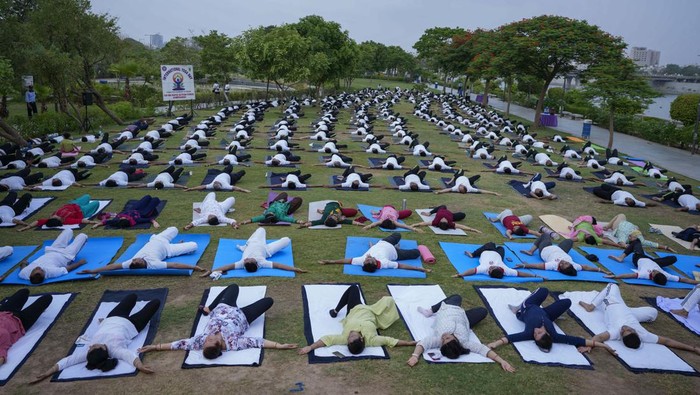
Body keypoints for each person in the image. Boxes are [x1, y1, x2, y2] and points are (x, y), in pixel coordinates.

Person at [139, 284, 295, 360]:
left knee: (233, 286)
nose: (207, 339)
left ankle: (208, 308)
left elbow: (178, 344)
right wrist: (278, 345)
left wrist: (155, 347)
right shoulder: (233, 343)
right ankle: (210, 308)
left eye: (206, 341)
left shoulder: (200, 342)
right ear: (219, 344)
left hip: (222, 309)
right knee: (268, 301)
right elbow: (257, 342)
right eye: (210, 341)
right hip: (243, 317)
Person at [32, 293, 160, 381]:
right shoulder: (115, 350)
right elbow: (130, 357)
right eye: (94, 347)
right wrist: (141, 367)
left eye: (90, 348)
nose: (91, 346)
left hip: (112, 317)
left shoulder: (89, 353)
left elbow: (68, 361)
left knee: (132, 297)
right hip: (133, 325)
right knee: (155, 302)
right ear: (103, 350)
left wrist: (48, 372)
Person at [487, 288, 616, 354]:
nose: (535, 332)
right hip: (545, 315)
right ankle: (527, 308)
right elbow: (578, 340)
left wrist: (495, 344)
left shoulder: (528, 333)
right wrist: (604, 345)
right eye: (539, 333)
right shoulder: (554, 336)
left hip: (527, 308)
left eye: (535, 335)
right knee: (563, 300)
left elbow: (510, 338)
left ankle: (517, 309)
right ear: (548, 334)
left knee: (544, 291)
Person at [579, 284, 700, 353]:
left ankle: (591, 306)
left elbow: (599, 337)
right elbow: (667, 341)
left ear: (621, 336)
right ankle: (598, 306)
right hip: (628, 312)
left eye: (623, 331)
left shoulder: (616, 331)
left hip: (611, 303)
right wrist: (693, 349)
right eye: (628, 329)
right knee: (653, 313)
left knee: (612, 285)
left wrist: (589, 345)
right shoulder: (644, 335)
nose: (624, 328)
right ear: (636, 333)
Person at [407, 294, 515, 372]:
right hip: (460, 316)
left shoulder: (438, 340)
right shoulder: (465, 343)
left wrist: (415, 356)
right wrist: (502, 361)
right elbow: (483, 349)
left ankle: (430, 311)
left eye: (444, 340)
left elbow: (423, 343)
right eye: (447, 339)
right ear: (456, 342)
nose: (444, 337)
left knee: (457, 297)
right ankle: (431, 310)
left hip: (450, 310)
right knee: (482, 311)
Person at [298, 285, 416, 355]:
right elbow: (390, 341)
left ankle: (335, 311)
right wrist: (410, 343)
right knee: (389, 300)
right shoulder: (371, 340)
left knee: (354, 288)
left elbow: (327, 339)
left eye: (349, 339)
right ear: (361, 338)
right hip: (373, 311)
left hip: (354, 310)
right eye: (352, 337)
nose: (349, 336)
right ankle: (336, 310)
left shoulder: (344, 339)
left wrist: (311, 347)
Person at [81, 227, 205, 274]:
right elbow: (175, 265)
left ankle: (178, 243)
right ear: (141, 264)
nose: (136, 259)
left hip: (158, 239)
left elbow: (112, 267)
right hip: (168, 250)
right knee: (194, 246)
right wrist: (195, 267)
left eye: (135, 259)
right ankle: (179, 246)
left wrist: (93, 270)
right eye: (138, 261)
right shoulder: (154, 265)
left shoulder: (129, 263)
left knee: (174, 229)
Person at [202, 228, 305, 278]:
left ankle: (245, 246)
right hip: (267, 250)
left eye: (246, 260)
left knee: (261, 229)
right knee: (286, 240)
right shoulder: (262, 262)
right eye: (248, 260)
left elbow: (227, 267)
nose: (245, 259)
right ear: (255, 263)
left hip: (255, 243)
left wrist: (211, 271)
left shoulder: (242, 263)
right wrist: (294, 269)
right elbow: (279, 265)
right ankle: (245, 246)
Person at [319, 232, 430, 273]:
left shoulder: (362, 261)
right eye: (368, 259)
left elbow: (347, 261)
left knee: (397, 234)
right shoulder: (385, 263)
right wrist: (419, 269)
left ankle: (374, 246)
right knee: (416, 253)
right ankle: (396, 247)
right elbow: (402, 266)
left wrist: (330, 261)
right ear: (374, 263)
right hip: (396, 253)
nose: (367, 257)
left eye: (366, 259)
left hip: (383, 242)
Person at [13, 229, 88, 284]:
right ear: (44, 275)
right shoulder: (52, 273)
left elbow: (22, 267)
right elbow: (67, 269)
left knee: (68, 231)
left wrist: (23, 263)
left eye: (36, 269)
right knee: (83, 236)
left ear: (30, 275)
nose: (39, 267)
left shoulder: (24, 274)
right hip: (66, 256)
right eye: (41, 270)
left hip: (52, 250)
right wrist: (80, 263)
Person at [0, 289, 53, 365]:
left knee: (24, 291)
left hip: (4, 311)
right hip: (21, 322)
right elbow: (2, 357)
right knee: (47, 298)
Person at [517, 233, 608, 276]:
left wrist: (524, 265)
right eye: (566, 263)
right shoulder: (575, 266)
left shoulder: (553, 265)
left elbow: (537, 266)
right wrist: (601, 270)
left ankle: (531, 251)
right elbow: (586, 267)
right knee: (569, 241)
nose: (563, 262)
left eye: (562, 265)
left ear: (560, 268)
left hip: (546, 250)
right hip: (560, 250)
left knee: (545, 235)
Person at [453, 242, 538, 279]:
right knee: (501, 248)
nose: (490, 267)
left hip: (486, 251)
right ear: (498, 268)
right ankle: (495, 248)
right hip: (499, 255)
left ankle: (473, 254)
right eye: (492, 268)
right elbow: (520, 274)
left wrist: (460, 274)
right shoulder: (506, 271)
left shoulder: (484, 269)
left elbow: (471, 271)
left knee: (491, 244)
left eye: (490, 269)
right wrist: (535, 276)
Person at [17, 194, 100, 231]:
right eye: (55, 216)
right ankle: (89, 208)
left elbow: (38, 222)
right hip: (82, 210)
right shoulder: (66, 221)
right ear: (59, 220)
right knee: (96, 203)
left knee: (87, 196)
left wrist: (26, 227)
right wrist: (92, 222)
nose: (53, 215)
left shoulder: (50, 220)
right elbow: (81, 221)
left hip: (73, 204)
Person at [605, 255, 697, 286]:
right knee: (673, 258)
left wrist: (615, 276)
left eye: (654, 272)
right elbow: (684, 279)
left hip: (639, 258)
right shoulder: (666, 275)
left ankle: (621, 257)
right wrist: (697, 283)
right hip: (654, 261)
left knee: (636, 242)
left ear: (652, 277)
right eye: (657, 271)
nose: (655, 270)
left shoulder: (644, 274)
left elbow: (628, 275)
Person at [93, 195, 162, 229]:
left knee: (148, 197)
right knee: (155, 199)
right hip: (143, 212)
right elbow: (150, 220)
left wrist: (97, 225)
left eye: (121, 218)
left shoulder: (117, 221)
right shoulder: (137, 219)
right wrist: (155, 223)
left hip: (134, 208)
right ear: (127, 219)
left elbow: (106, 222)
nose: (121, 217)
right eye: (123, 218)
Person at [239, 192, 304, 225]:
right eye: (271, 213)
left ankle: (279, 200)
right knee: (299, 199)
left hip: (276, 202)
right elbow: (291, 220)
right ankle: (290, 205)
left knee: (284, 194)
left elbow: (253, 219)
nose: (270, 212)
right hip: (287, 207)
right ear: (273, 215)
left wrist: (242, 222)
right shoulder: (280, 217)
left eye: (269, 212)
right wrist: (299, 221)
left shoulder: (264, 216)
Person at [412, 205, 482, 233]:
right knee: (462, 215)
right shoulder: (450, 223)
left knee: (444, 206)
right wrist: (473, 230)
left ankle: (430, 213)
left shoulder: (436, 222)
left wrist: (414, 225)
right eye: (444, 220)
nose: (443, 219)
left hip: (446, 212)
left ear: (440, 222)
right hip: (450, 215)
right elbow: (462, 227)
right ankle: (431, 212)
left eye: (443, 220)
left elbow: (424, 223)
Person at [298, 201, 363, 228]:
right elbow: (351, 222)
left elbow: (313, 223)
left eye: (334, 216)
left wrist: (304, 225)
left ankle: (322, 211)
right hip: (340, 210)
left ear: (329, 216)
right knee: (354, 212)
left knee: (325, 212)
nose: (336, 216)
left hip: (332, 204)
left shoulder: (323, 219)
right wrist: (362, 225)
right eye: (336, 218)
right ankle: (321, 211)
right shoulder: (339, 219)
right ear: (337, 221)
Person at [184, 166, 250, 192]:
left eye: (215, 183)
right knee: (241, 172)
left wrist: (191, 189)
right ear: (220, 185)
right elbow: (235, 188)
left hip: (223, 172)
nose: (215, 182)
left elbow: (201, 187)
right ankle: (242, 172)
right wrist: (244, 190)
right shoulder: (225, 186)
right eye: (216, 183)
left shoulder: (211, 185)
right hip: (231, 178)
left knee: (230, 166)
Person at [435, 170, 500, 195]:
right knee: (478, 176)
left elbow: (447, 190)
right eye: (461, 187)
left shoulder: (456, 187)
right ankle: (450, 181)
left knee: (461, 170)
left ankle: (450, 181)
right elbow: (482, 191)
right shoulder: (469, 188)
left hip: (458, 178)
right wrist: (494, 193)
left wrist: (439, 192)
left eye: (460, 188)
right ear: (464, 187)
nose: (460, 186)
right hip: (468, 180)